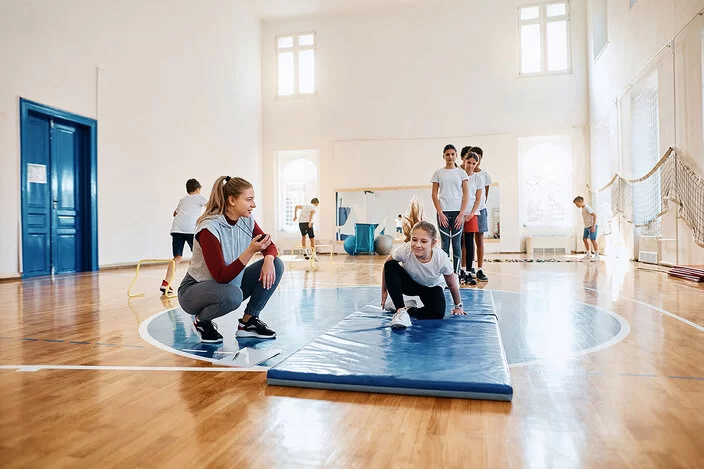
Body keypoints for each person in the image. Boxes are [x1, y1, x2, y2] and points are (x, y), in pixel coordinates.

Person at [177, 176, 284, 343]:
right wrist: (250, 251)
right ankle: (202, 321)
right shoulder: (209, 228)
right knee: (233, 295)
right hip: (193, 292)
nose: (254, 204)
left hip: (229, 286)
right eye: (249, 199)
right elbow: (221, 276)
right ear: (232, 200)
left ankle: (248, 322)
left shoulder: (246, 220)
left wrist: (268, 260)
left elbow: (269, 246)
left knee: (276, 264)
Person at [380, 200, 467, 329]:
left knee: (437, 314)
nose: (417, 245)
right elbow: (387, 265)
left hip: (431, 287)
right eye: (414, 240)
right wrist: (384, 291)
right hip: (409, 284)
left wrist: (458, 306)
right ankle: (400, 310)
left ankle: (409, 308)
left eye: (424, 241)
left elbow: (452, 284)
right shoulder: (406, 249)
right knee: (391, 264)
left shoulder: (441, 258)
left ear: (433, 244)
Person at [161, 179, 207, 295]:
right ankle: (198, 281)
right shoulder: (199, 197)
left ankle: (166, 283)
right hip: (190, 229)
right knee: (199, 255)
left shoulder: (183, 200)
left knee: (177, 257)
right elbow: (212, 207)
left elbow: (175, 214)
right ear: (198, 189)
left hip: (176, 229)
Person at [431, 144, 469, 273]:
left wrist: (461, 214)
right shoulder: (438, 173)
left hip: (458, 212)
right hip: (443, 213)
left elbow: (466, 195)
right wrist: (440, 213)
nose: (450, 156)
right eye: (447, 154)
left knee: (457, 244)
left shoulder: (461, 173)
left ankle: (456, 274)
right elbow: (434, 195)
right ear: (443, 156)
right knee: (445, 244)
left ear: (456, 155)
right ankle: (446, 274)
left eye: (452, 154)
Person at [459, 150, 484, 286]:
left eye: (474, 164)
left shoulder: (478, 178)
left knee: (469, 242)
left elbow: (478, 199)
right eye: (468, 162)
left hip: (471, 214)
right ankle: (460, 270)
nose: (470, 166)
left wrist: (471, 213)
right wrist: (461, 213)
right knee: (458, 242)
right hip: (459, 213)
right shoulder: (459, 174)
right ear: (464, 161)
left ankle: (469, 271)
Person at [470, 146, 491, 282]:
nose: (476, 161)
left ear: (481, 159)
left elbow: (485, 194)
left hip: (481, 210)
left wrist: (480, 206)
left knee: (479, 240)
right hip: (468, 211)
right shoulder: (465, 174)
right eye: (474, 157)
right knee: (467, 241)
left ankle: (480, 269)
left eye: (479, 158)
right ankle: (469, 268)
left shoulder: (485, 175)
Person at [573, 196, 599, 261]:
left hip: (592, 226)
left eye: (577, 204)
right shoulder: (583, 208)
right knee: (584, 239)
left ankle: (597, 255)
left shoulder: (587, 207)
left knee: (593, 240)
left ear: (580, 202)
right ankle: (588, 253)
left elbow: (595, 215)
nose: (576, 206)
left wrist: (593, 226)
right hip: (587, 226)